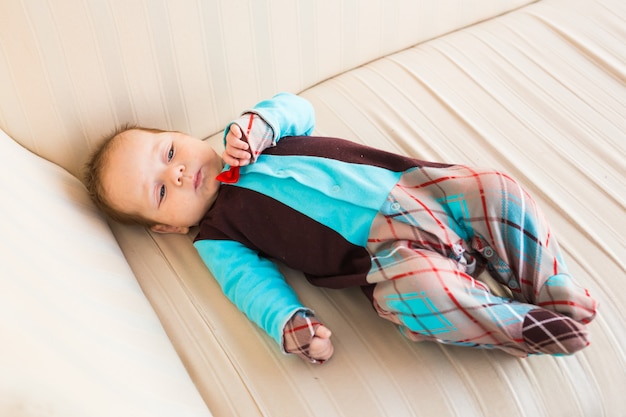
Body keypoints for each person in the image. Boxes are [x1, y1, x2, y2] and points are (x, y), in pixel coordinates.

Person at [85, 92, 597, 364]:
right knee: (419, 298)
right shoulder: (216, 235)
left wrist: (257, 123)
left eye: (168, 152)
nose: (175, 173)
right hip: (385, 259)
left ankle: (546, 281)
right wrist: (288, 324)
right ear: (168, 229)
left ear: (180, 134)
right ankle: (520, 326)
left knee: (494, 187)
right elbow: (249, 286)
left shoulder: (251, 138)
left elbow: (300, 109)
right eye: (160, 192)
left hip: (419, 189)